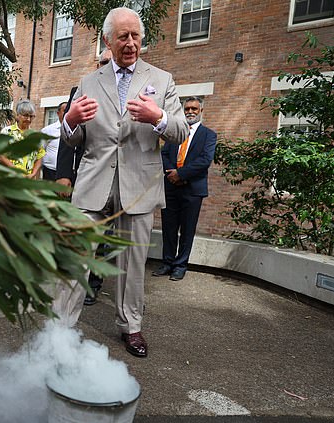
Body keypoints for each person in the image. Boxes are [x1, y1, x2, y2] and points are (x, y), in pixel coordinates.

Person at [52, 7, 189, 358]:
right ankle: (60, 327)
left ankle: (131, 326)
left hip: (139, 186)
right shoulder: (88, 82)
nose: (130, 43)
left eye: (136, 36)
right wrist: (69, 119)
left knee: (132, 263)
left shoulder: (163, 79)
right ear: (108, 41)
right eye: (123, 37)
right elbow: (73, 139)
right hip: (93, 184)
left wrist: (157, 116)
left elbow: (180, 130)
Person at [153, 97, 217, 281]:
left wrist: (180, 174)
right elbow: (163, 154)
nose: (190, 111)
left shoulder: (209, 135)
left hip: (192, 189)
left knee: (187, 229)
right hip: (171, 188)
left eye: (194, 109)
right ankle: (167, 263)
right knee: (169, 227)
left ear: (201, 111)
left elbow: (205, 160)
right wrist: (171, 174)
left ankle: (180, 266)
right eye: (187, 108)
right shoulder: (174, 133)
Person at [55, 48, 113, 192]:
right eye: (105, 62)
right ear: (97, 66)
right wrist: (64, 174)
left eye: (113, 63)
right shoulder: (80, 92)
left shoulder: (131, 92)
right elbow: (68, 131)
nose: (109, 66)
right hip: (87, 170)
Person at [0, 100, 46, 179]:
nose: (28, 119)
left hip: (28, 179)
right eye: (25, 115)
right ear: (17, 115)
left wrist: (33, 174)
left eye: (31, 116)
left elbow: (39, 157)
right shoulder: (7, 132)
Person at [40, 102, 67, 181]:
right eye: (65, 110)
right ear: (58, 113)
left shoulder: (75, 130)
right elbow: (40, 151)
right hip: (50, 172)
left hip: (67, 174)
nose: (67, 113)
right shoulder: (47, 131)